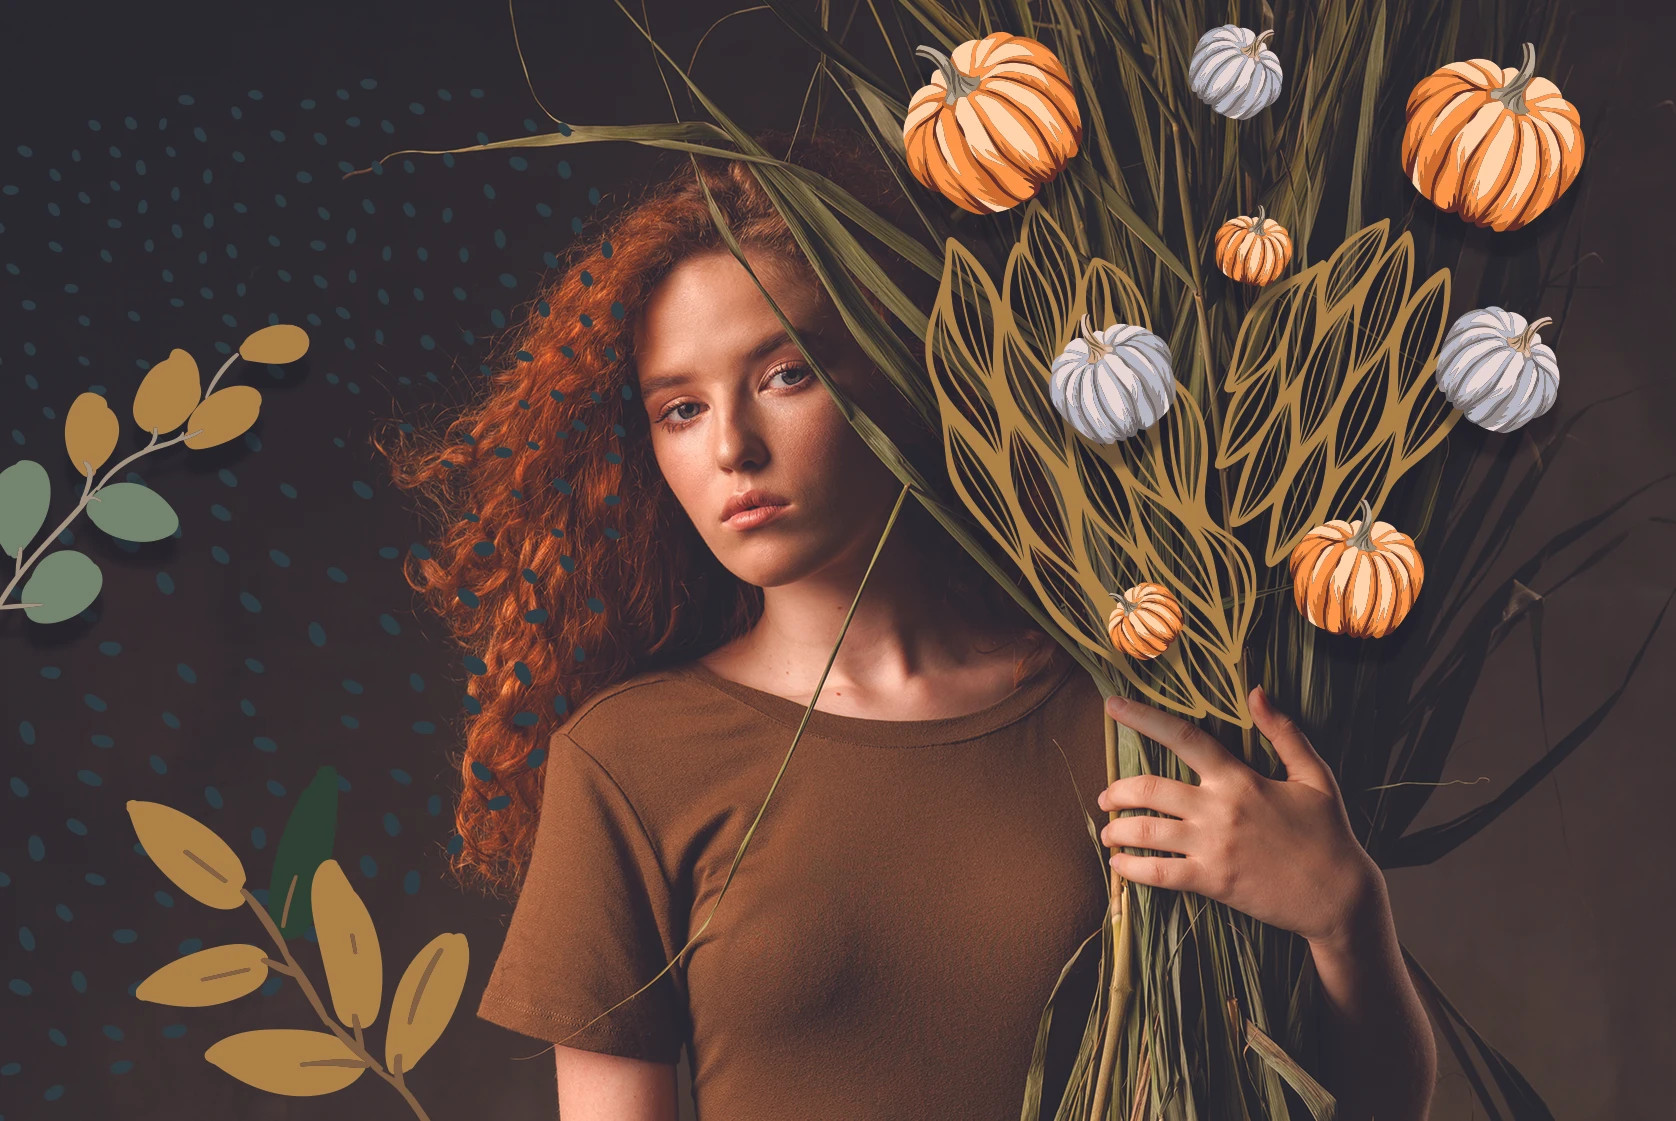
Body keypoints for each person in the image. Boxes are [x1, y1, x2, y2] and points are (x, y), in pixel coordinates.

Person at [378, 129, 1435, 1120]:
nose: (732, 446)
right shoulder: (627, 761)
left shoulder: (1130, 710)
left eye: (785, 373)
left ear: (900, 365)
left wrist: (1345, 914)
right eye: (680, 408)